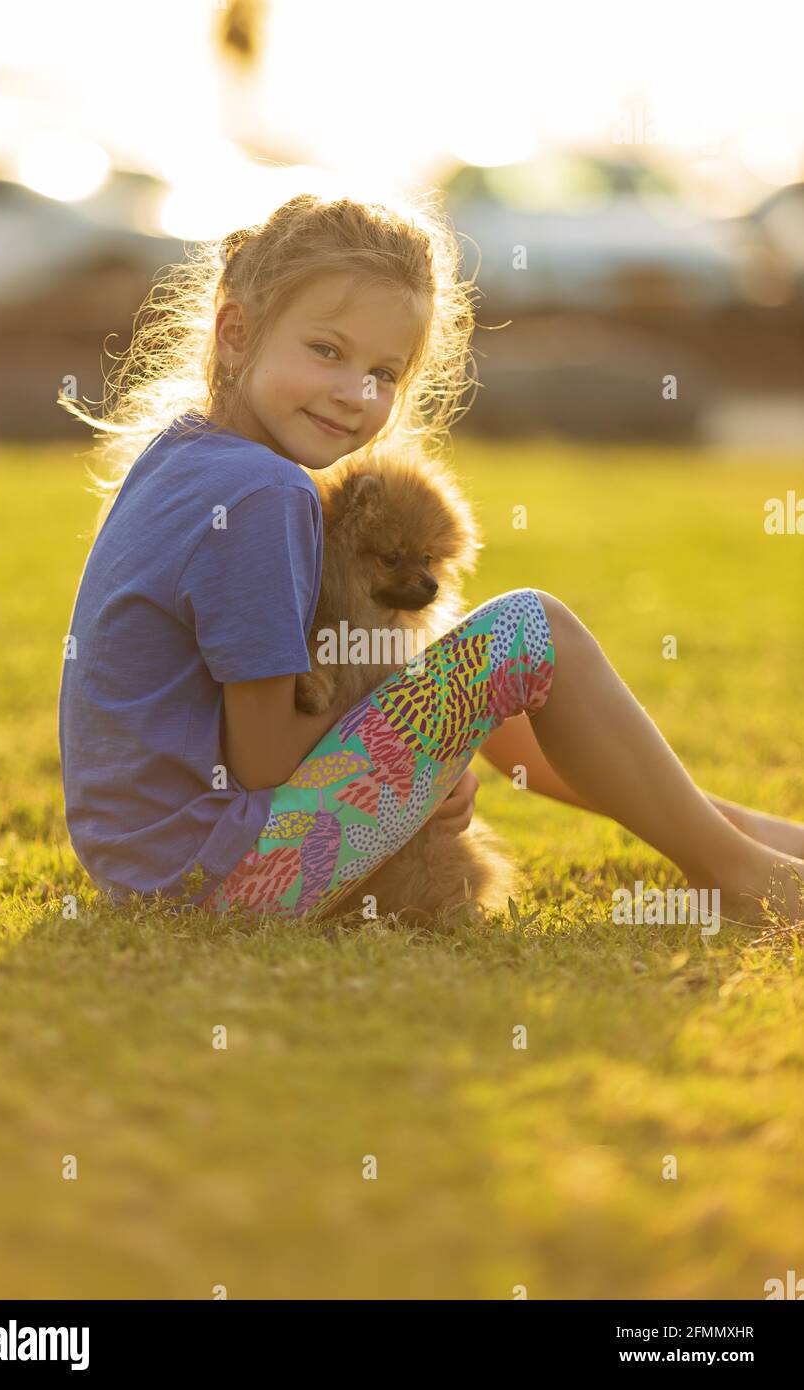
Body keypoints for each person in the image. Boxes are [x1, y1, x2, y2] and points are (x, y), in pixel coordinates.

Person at [58, 191, 804, 928]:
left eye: (384, 374)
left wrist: (425, 733)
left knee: (460, 664)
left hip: (155, 872)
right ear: (234, 331)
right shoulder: (262, 493)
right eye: (326, 351)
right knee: (531, 631)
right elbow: (259, 761)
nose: (355, 393)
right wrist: (423, 762)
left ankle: (743, 834)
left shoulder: (183, 456)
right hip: (228, 876)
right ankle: (741, 877)